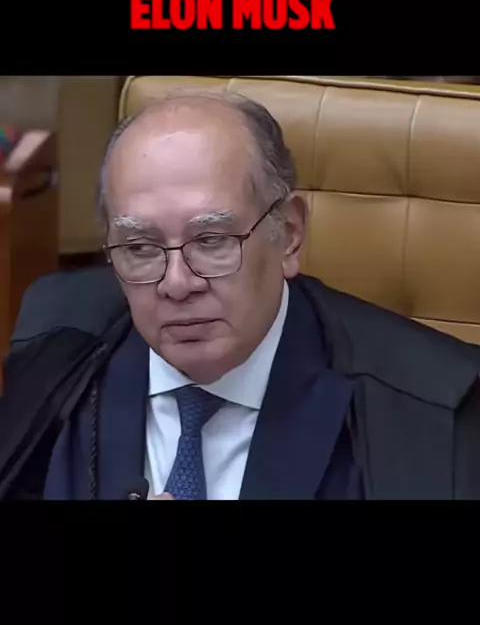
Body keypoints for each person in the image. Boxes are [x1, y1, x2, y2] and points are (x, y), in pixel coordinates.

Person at [1, 90, 480, 500]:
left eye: (211, 241)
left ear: (288, 234)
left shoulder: (437, 415)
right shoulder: (55, 348)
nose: (176, 284)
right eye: (141, 248)